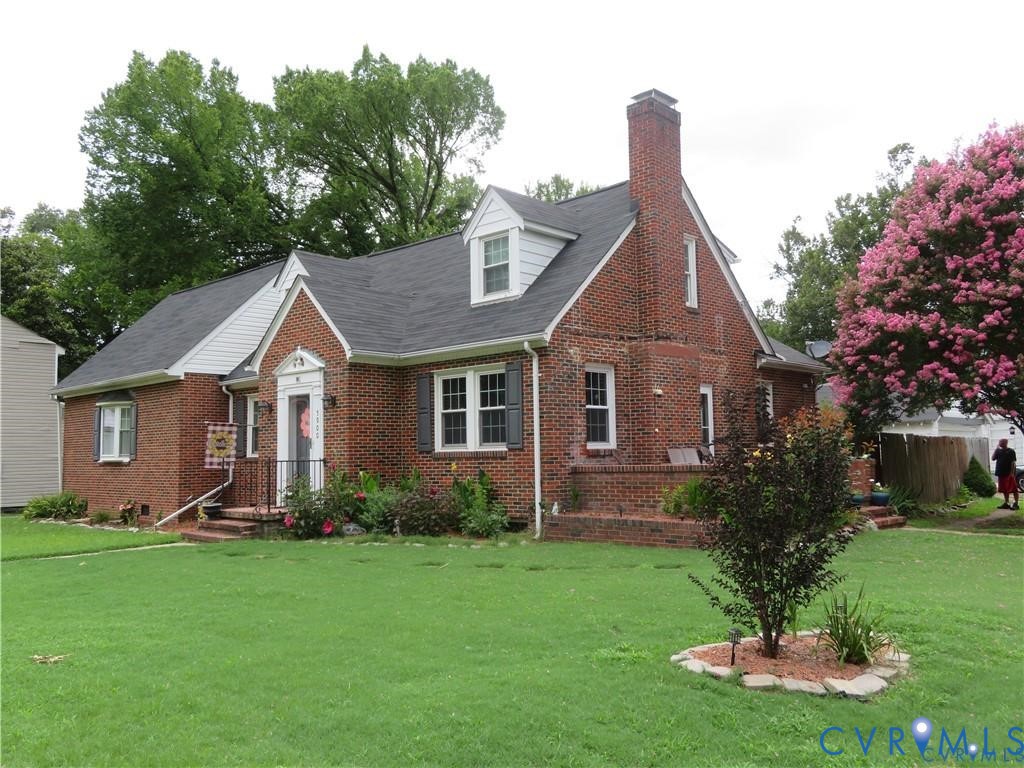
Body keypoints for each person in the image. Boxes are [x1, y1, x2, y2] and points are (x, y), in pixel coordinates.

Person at [992, 438, 1019, 510]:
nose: (999, 443)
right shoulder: (998, 451)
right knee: (1004, 489)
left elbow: (1013, 463)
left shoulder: (1011, 451)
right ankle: (1006, 503)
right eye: (999, 442)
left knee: (1013, 489)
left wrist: (1012, 473)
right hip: (1001, 473)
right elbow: (993, 458)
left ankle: (1016, 504)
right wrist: (996, 449)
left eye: (1001, 442)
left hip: (1009, 474)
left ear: (1005, 443)